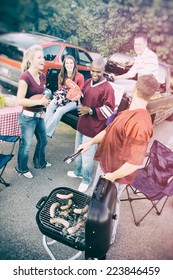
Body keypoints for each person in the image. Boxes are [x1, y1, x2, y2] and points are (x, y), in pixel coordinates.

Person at [75, 74, 159, 244]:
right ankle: (90, 224)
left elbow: (135, 162)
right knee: (96, 200)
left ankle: (108, 238)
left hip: (116, 175)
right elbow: (107, 132)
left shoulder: (141, 123)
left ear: (135, 88)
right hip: (106, 167)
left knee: (110, 207)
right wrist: (90, 143)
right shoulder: (128, 111)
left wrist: (112, 177)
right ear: (152, 95)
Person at [67, 57, 115, 192]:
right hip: (81, 124)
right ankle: (77, 172)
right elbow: (82, 98)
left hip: (93, 129)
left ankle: (86, 179)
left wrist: (91, 110)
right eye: (93, 71)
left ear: (103, 71)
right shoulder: (88, 82)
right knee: (77, 150)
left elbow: (109, 110)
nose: (95, 74)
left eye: (98, 72)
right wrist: (77, 97)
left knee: (87, 156)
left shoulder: (108, 89)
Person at [15, 45, 51, 179]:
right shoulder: (25, 77)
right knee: (26, 145)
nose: (43, 60)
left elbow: (41, 95)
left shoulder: (42, 76)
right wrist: (39, 102)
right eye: (39, 57)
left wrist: (45, 101)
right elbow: (20, 100)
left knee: (43, 140)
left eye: (43, 57)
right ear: (30, 60)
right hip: (27, 118)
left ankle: (39, 162)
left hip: (39, 115)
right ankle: (22, 168)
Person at [45, 55, 84, 137]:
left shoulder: (80, 76)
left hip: (74, 102)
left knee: (60, 110)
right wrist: (61, 99)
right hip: (62, 98)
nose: (69, 65)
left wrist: (69, 98)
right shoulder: (61, 75)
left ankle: (46, 132)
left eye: (71, 63)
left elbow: (80, 93)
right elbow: (60, 89)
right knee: (50, 106)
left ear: (74, 64)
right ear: (64, 65)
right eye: (67, 63)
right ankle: (46, 129)